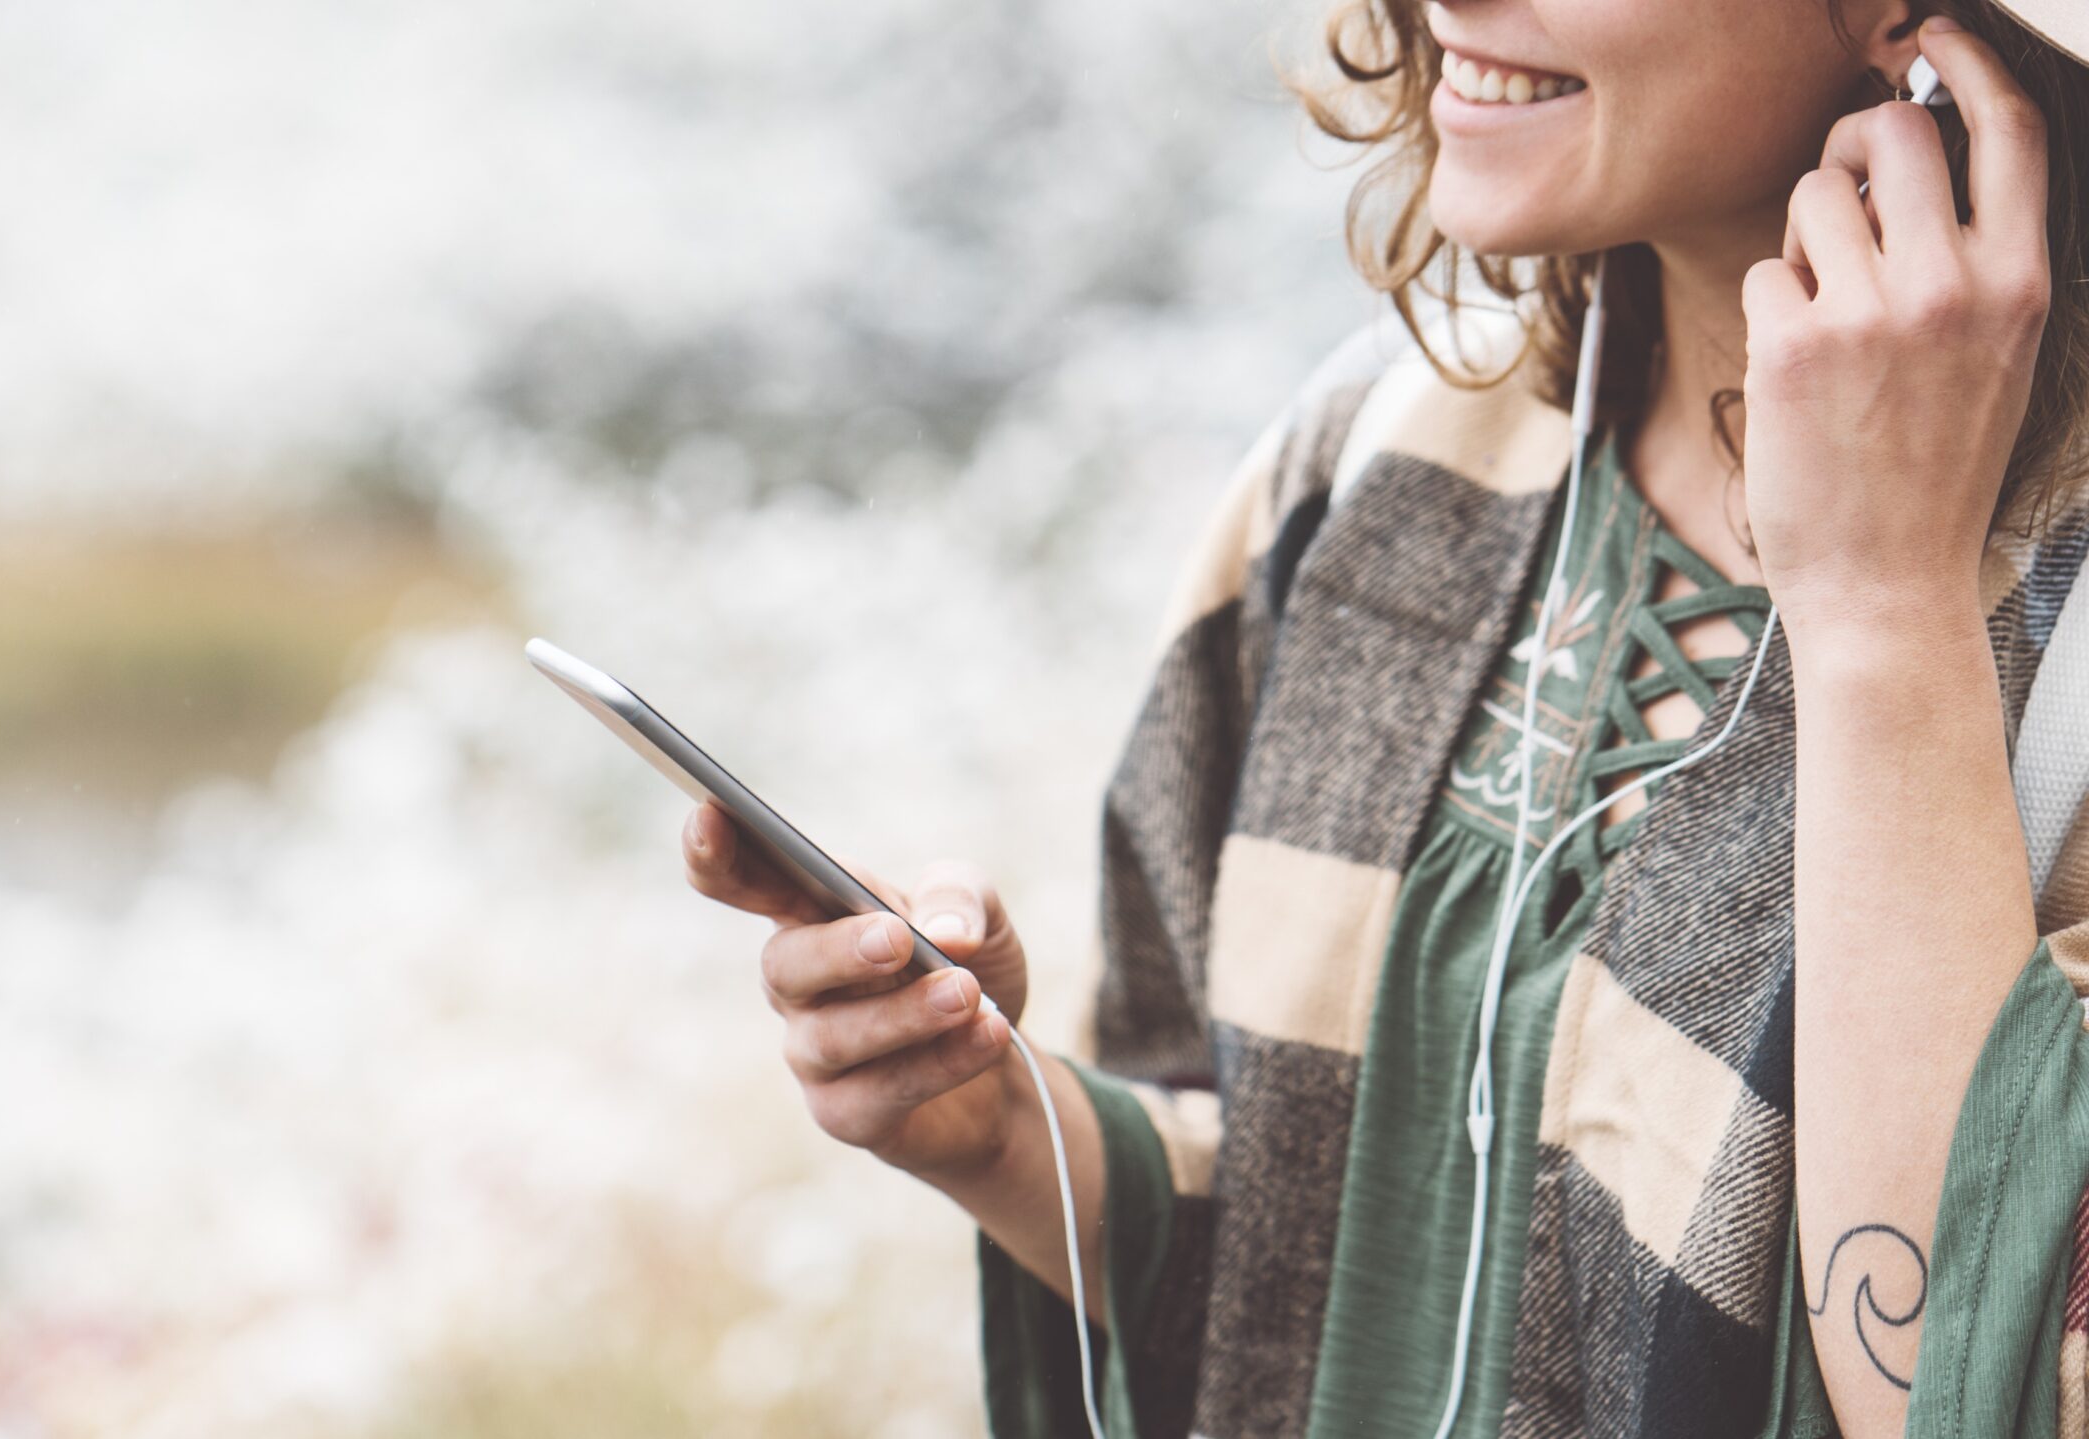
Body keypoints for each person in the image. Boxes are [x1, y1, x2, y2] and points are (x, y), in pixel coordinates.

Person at [681, 0, 2089, 1434]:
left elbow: (2014, 1391)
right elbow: (1281, 1278)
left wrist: (1883, 611)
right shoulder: (1372, 461)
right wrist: (995, 1128)